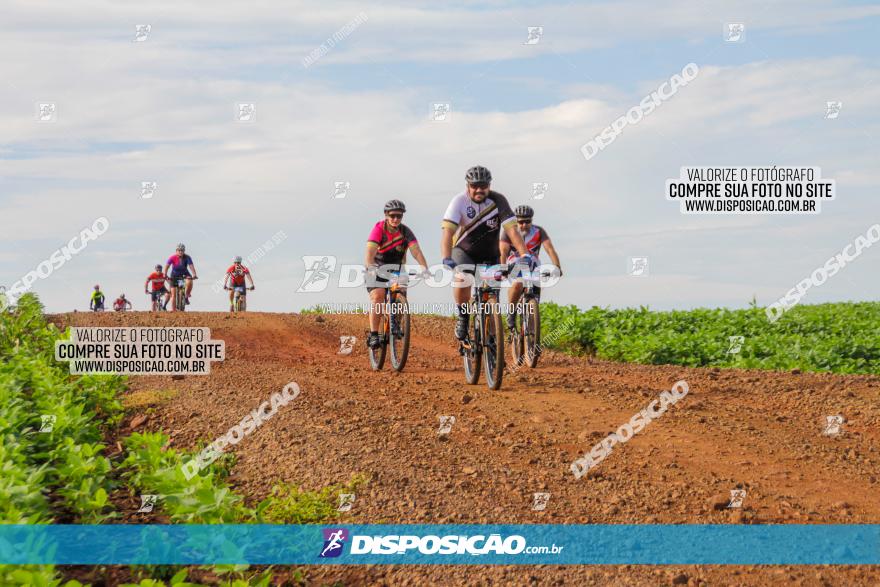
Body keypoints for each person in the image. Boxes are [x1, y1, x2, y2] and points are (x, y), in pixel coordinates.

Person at [440, 165, 532, 341]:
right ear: (468, 186)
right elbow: (447, 233)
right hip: (464, 251)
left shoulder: (498, 200)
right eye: (475, 186)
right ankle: (463, 316)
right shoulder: (459, 201)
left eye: (483, 186)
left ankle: (493, 348)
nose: (479, 189)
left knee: (492, 300)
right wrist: (446, 257)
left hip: (490, 254)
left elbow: (512, 230)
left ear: (489, 185)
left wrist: (524, 254)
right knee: (462, 278)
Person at [364, 199, 429, 349]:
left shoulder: (405, 232)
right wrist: (369, 265)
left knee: (401, 292)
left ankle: (396, 322)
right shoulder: (379, 229)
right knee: (378, 296)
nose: (395, 219)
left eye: (399, 216)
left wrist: (424, 267)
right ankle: (374, 334)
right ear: (386, 215)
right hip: (377, 267)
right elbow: (370, 252)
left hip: (397, 269)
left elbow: (416, 251)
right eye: (392, 216)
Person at [499, 205, 563, 330]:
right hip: (515, 265)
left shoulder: (539, 231)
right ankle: (511, 313)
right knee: (518, 284)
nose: (524, 224)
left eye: (527, 221)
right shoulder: (508, 232)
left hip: (534, 266)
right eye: (521, 221)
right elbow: (503, 251)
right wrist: (503, 267)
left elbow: (549, 248)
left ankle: (532, 333)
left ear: (531, 220)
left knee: (535, 300)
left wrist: (557, 266)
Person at [164, 243, 198, 310]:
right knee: (173, 294)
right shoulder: (172, 257)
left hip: (183, 275)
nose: (180, 252)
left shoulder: (187, 257)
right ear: (176, 251)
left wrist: (194, 274)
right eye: (179, 250)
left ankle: (186, 296)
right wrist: (165, 274)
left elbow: (191, 266)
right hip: (174, 276)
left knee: (189, 281)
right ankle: (173, 311)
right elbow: (167, 266)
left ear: (184, 251)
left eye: (182, 250)